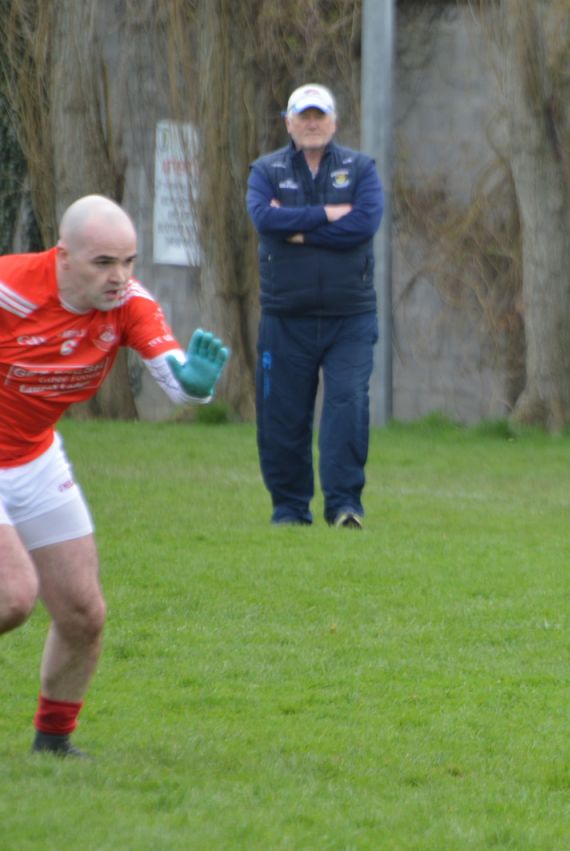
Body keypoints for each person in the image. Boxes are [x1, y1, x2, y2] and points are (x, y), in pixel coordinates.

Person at [0, 194, 229, 757]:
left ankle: (52, 746)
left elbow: (174, 377)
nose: (120, 276)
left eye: (129, 261)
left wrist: (196, 384)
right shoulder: (10, 288)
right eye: (104, 262)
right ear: (64, 257)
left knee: (83, 612)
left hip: (33, 457)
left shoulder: (129, 304)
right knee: (13, 597)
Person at [245, 83, 384, 529]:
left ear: (334, 122)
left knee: (347, 407)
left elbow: (364, 224)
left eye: (319, 115)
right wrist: (328, 214)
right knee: (282, 415)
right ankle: (288, 509)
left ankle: (345, 506)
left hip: (351, 318)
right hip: (286, 317)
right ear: (288, 122)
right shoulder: (265, 171)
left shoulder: (361, 169)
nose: (311, 123)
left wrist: (298, 230)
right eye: (302, 115)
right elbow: (265, 221)